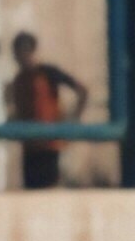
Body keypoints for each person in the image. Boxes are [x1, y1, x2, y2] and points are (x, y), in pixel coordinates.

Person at [5, 29, 86, 192]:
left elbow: (81, 90)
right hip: (30, 146)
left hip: (49, 145)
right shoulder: (19, 80)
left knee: (49, 189)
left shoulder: (48, 73)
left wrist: (74, 119)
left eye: (20, 53)